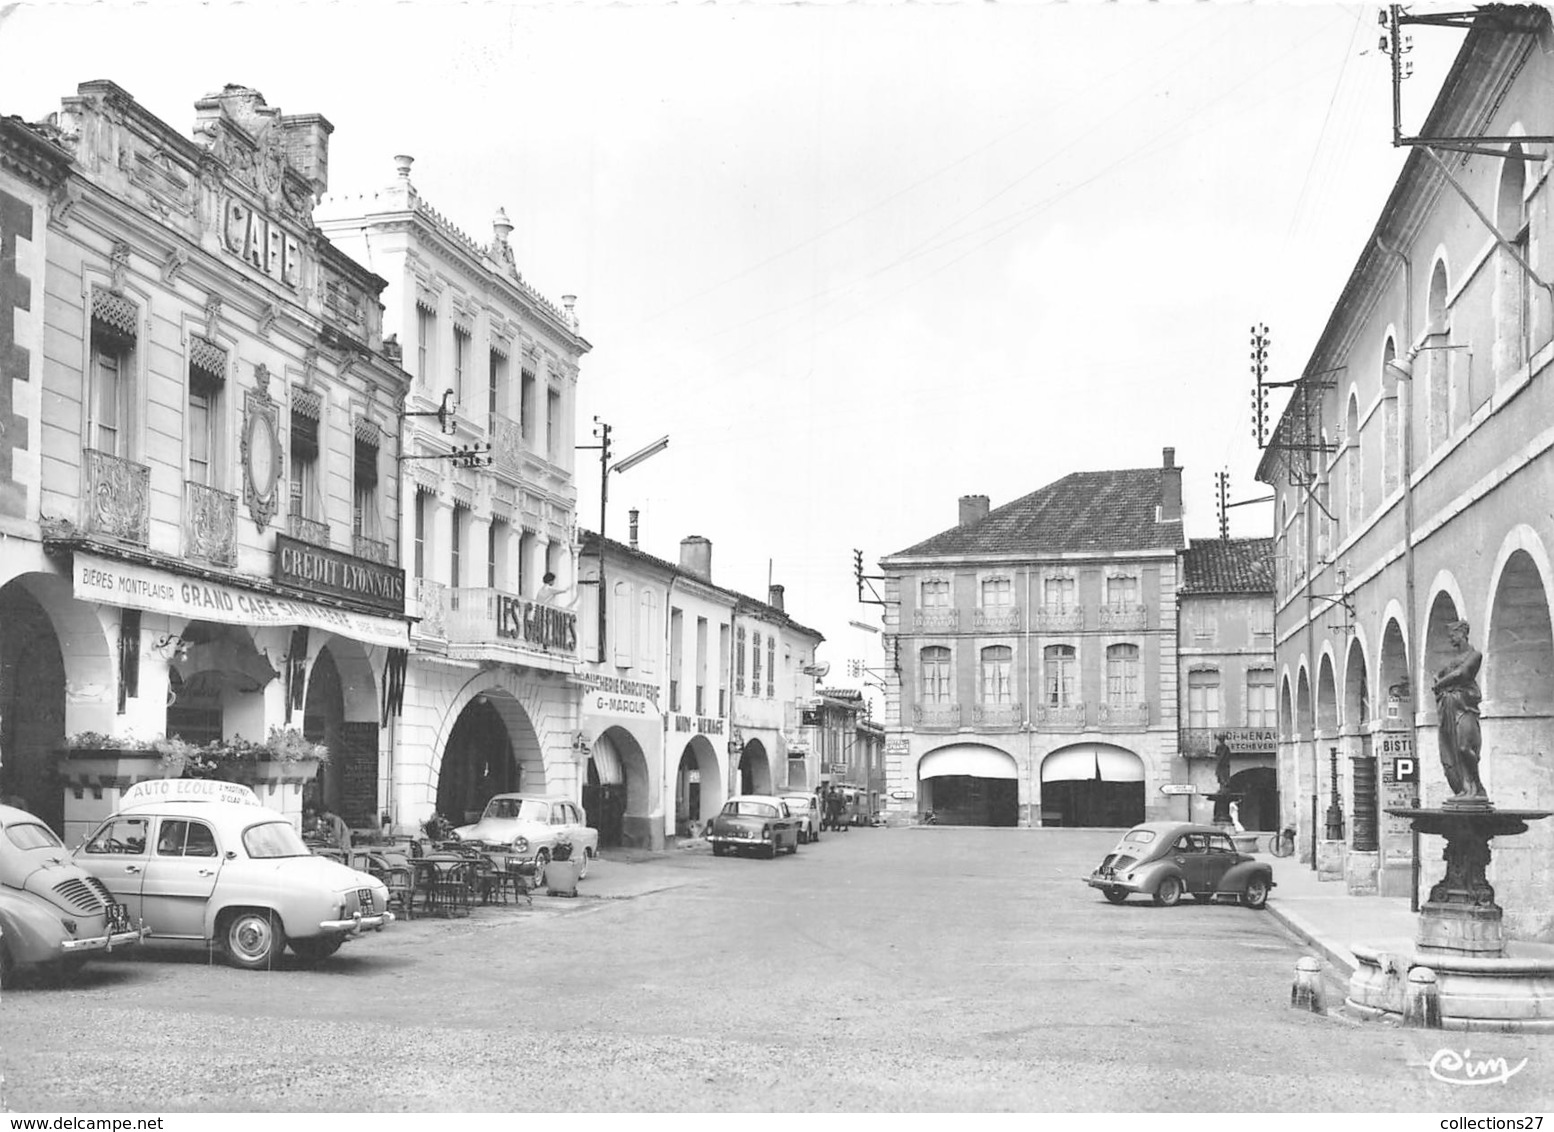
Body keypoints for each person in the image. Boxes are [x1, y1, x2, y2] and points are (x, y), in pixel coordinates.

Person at [1432, 619, 1486, 802]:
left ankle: (1477, 786)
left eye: (1452, 635)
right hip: (1450, 707)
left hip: (1465, 707)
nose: (1451, 639)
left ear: (1462, 633)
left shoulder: (1475, 655)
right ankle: (1464, 787)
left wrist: (1440, 684)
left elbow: (1462, 673)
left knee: (1465, 747)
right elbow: (1440, 674)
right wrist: (1439, 680)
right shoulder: (1452, 660)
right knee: (1453, 749)